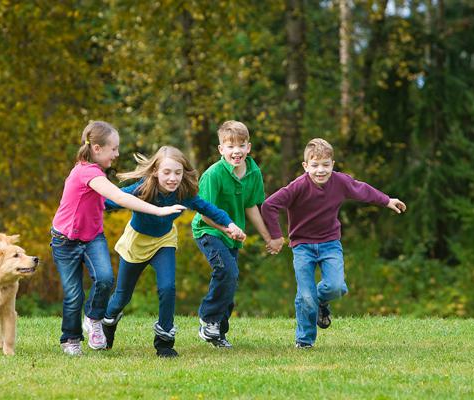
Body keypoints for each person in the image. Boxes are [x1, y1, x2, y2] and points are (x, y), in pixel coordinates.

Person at [50, 121, 185, 356]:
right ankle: (70, 339)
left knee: (104, 278)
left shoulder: (96, 173)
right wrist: (158, 210)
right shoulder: (86, 171)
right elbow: (119, 197)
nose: (117, 153)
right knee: (74, 294)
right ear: (96, 148)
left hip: (92, 238)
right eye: (114, 149)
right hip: (65, 241)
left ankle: (93, 319)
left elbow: (106, 202)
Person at [261, 138, 407, 348]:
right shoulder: (298, 187)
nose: (321, 170)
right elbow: (269, 205)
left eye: (325, 165)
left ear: (333, 164)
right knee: (305, 295)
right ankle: (304, 341)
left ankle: (320, 301)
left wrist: (386, 200)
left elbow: (362, 189)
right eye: (315, 165)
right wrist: (276, 236)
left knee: (336, 287)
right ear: (305, 166)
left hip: (330, 243)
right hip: (302, 246)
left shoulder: (340, 182)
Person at [102, 146, 245, 358]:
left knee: (168, 288)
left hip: (164, 241)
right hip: (137, 243)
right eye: (167, 172)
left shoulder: (182, 193)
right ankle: (108, 323)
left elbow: (209, 209)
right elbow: (109, 200)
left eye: (178, 173)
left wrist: (229, 224)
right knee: (122, 296)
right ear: (155, 172)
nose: (173, 178)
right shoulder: (142, 189)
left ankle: (165, 343)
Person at [192, 120, 276, 349]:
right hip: (208, 230)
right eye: (230, 146)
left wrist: (268, 237)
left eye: (241, 145)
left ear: (248, 147)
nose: (236, 151)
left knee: (232, 277)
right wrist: (226, 228)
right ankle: (208, 318)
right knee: (226, 270)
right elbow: (204, 213)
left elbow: (251, 206)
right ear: (221, 150)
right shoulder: (213, 175)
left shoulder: (253, 172)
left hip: (233, 234)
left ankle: (218, 333)